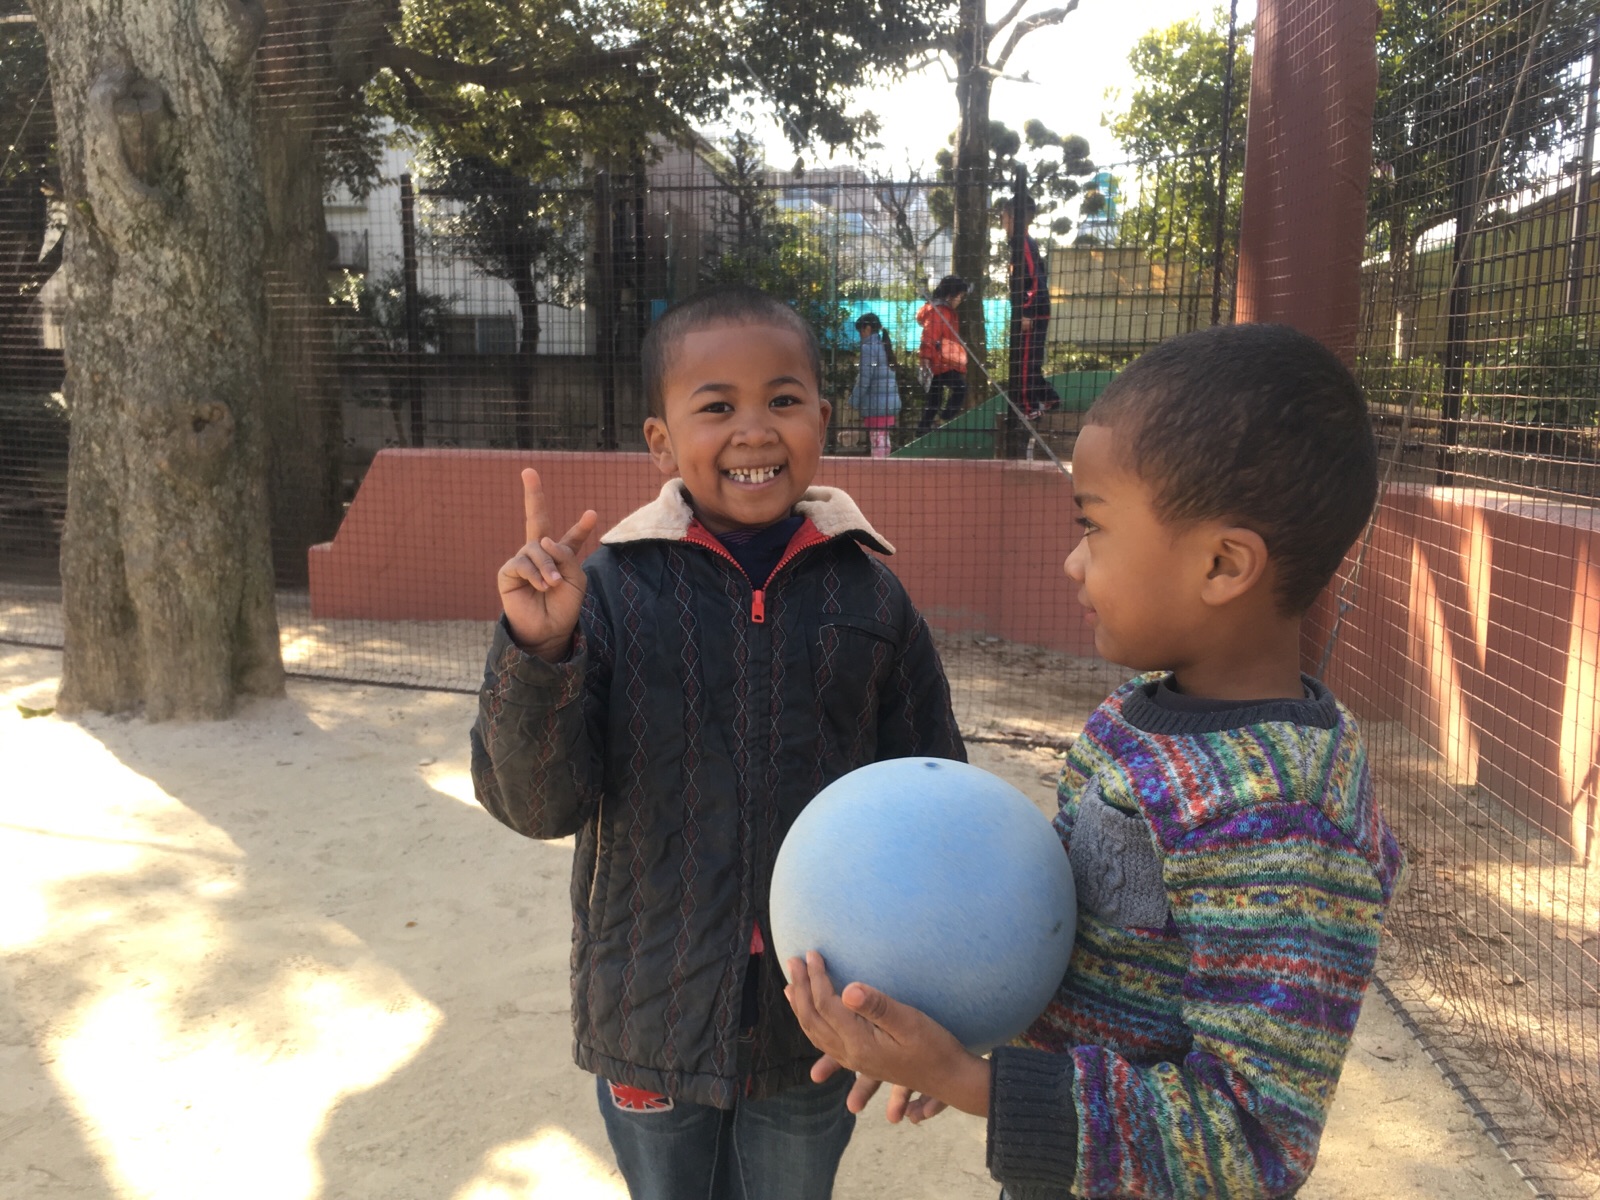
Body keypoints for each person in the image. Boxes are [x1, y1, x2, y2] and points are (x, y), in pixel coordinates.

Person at [784, 322, 1406, 1200]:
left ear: (1223, 564)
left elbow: (1252, 1141)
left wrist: (977, 1086)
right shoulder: (1137, 714)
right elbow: (1073, 942)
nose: (1074, 562)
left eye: (1095, 526)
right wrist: (957, 1031)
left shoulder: (1280, 815)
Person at [470, 285, 966, 1200]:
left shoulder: (872, 597)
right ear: (661, 441)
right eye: (717, 406)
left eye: (783, 399)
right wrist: (540, 653)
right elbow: (537, 805)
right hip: (650, 1008)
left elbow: (932, 810)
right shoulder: (608, 592)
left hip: (816, 1019)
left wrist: (937, 1003)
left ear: (825, 419)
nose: (754, 429)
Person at [1001, 197, 1061, 419]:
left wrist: (1026, 312)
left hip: (1033, 311)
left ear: (1013, 219)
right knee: (1029, 358)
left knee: (1025, 361)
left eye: (1004, 218)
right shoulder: (1022, 244)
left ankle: (1028, 408)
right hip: (1035, 309)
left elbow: (1036, 280)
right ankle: (1048, 397)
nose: (1002, 224)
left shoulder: (1024, 244)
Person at [915, 275, 970, 435]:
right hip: (939, 362)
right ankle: (943, 419)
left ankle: (923, 429)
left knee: (935, 399)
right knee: (960, 388)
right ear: (950, 295)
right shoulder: (939, 311)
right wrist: (925, 357)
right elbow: (929, 335)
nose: (961, 300)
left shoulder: (945, 311)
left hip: (942, 361)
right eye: (960, 296)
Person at [850, 312, 902, 458]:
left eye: (860, 331)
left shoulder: (868, 348)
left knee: (877, 441)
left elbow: (865, 378)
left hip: (875, 404)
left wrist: (854, 400)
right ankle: (885, 465)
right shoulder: (884, 345)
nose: (860, 335)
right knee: (883, 439)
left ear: (867, 328)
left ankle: (878, 467)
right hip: (888, 403)